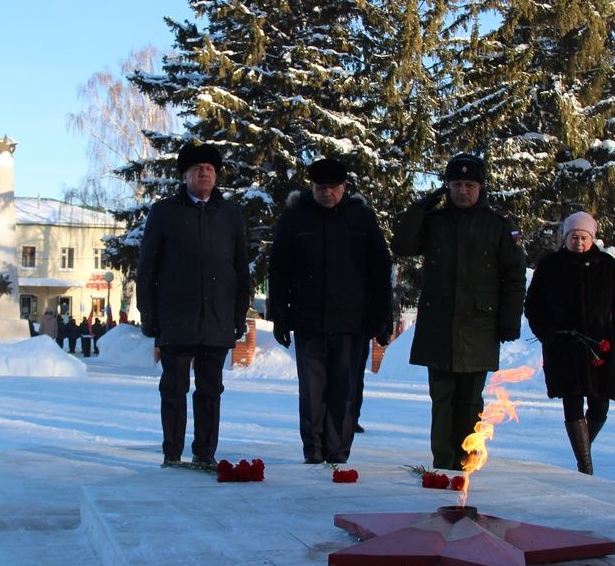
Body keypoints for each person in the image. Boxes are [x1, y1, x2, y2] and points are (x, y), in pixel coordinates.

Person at [391, 153, 527, 471]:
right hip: (439, 326)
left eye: (469, 184)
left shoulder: (499, 225)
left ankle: (466, 467)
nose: (462, 191)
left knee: (470, 403)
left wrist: (509, 321)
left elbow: (514, 277)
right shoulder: (434, 222)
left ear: (480, 187)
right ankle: (442, 466)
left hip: (479, 327)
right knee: (442, 401)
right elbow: (402, 245)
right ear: (447, 187)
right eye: (455, 184)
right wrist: (420, 208)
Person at [268, 158, 393, 464]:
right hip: (308, 321)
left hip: (352, 323)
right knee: (312, 394)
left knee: (343, 394)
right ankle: (313, 452)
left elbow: (380, 270)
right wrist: (279, 315)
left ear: (344, 187)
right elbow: (278, 269)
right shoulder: (295, 218)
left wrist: (383, 317)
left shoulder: (361, 218)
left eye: (332, 188)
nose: (327, 193)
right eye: (320, 188)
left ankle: (338, 454)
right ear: (312, 188)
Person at [136, 141, 250, 466]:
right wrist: (150, 316)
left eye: (210, 170)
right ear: (184, 176)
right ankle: (172, 454)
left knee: (210, 391)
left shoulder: (229, 215)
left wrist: (238, 314)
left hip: (217, 320)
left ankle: (204, 454)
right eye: (198, 169)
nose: (204, 174)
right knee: (174, 390)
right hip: (176, 319)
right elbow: (148, 269)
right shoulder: (165, 213)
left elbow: (240, 269)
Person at [524, 211, 615, 475]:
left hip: (600, 347)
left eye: (583, 237)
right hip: (564, 347)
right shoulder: (550, 265)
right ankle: (585, 465)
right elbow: (533, 306)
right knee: (571, 401)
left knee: (600, 406)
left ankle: (583, 449)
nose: (578, 243)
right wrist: (547, 333)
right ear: (565, 238)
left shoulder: (607, 266)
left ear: (592, 238)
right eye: (573, 237)